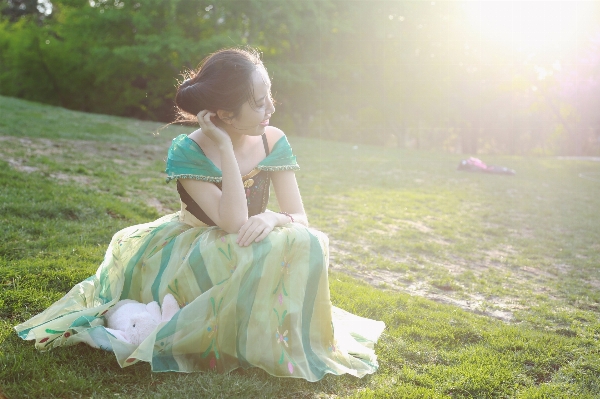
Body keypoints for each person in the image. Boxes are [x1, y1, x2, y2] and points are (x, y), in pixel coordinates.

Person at [15, 48, 385, 382]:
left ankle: (276, 333)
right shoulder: (187, 150)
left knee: (306, 239)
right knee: (248, 245)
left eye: (269, 95)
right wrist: (224, 146)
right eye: (259, 102)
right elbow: (232, 223)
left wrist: (274, 218)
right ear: (224, 113)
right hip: (197, 246)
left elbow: (298, 215)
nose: (271, 107)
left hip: (254, 234)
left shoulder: (273, 139)